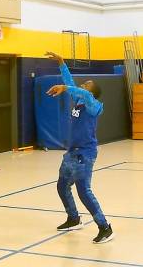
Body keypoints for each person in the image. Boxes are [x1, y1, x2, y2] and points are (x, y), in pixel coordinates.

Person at [45, 51, 114, 244]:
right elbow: (73, 87)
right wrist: (61, 63)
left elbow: (78, 90)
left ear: (92, 92)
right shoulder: (79, 100)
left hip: (85, 153)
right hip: (72, 153)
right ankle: (74, 218)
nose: (82, 86)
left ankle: (105, 227)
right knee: (62, 186)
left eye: (87, 85)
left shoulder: (94, 105)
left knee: (84, 190)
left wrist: (66, 87)